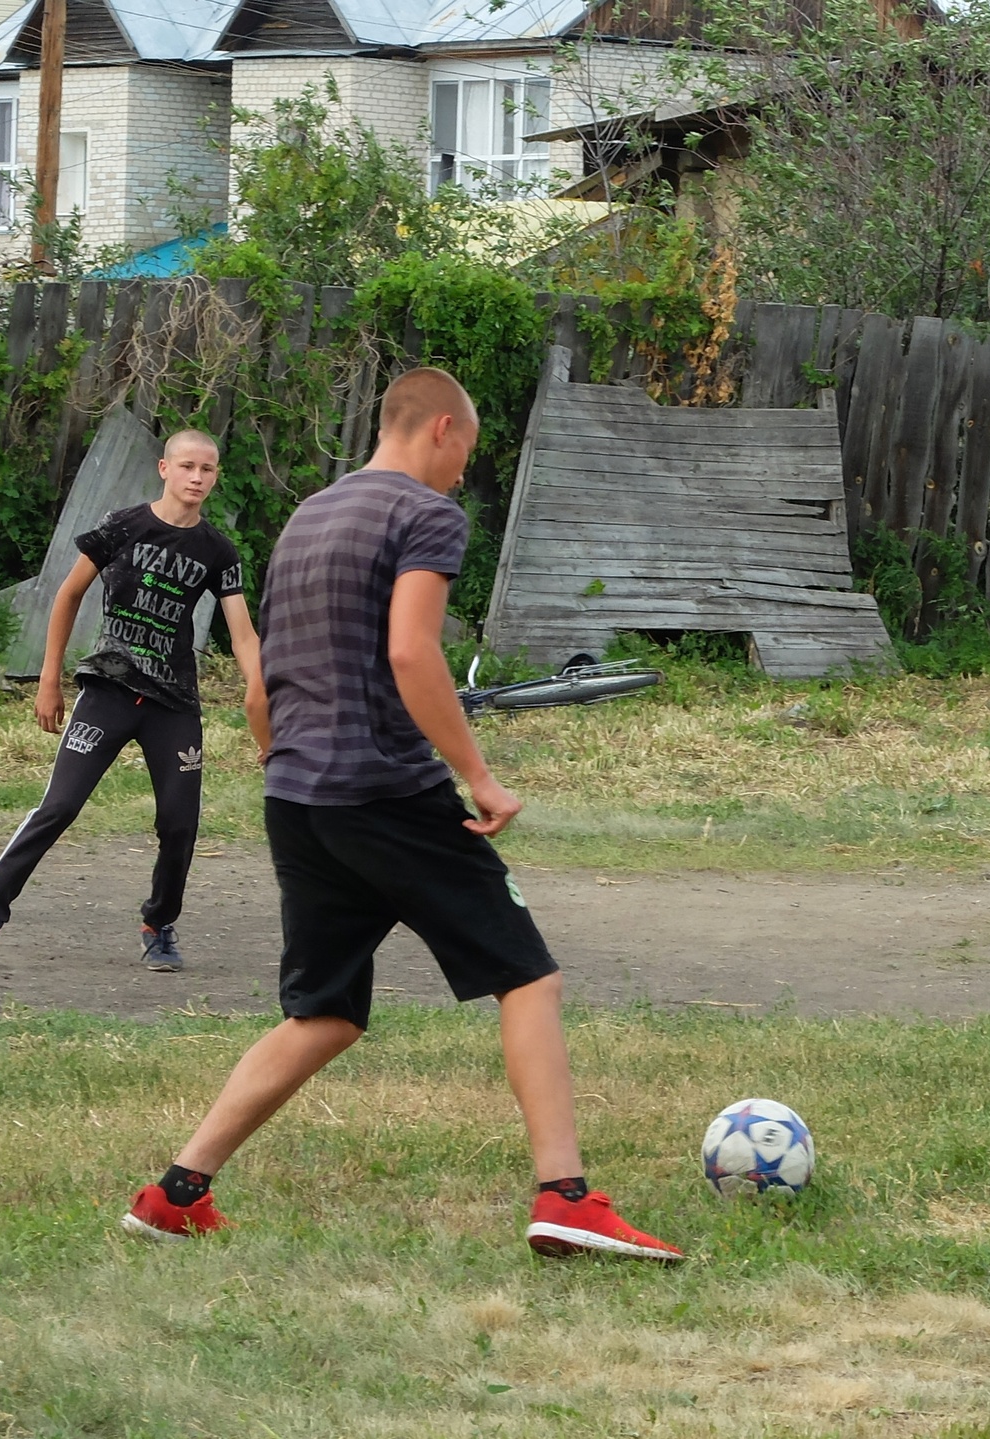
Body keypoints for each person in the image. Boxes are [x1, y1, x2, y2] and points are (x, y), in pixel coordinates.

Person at [121, 367, 682, 1260]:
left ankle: (175, 1192)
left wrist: (287, 758)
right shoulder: (425, 515)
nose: (464, 472)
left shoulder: (308, 516)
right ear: (442, 430)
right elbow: (411, 652)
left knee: (326, 1011)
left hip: (297, 795)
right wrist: (480, 777)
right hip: (384, 790)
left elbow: (260, 683)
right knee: (527, 975)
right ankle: (566, 1196)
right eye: (467, 451)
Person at [0, 429, 259, 974]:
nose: (197, 478)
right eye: (187, 466)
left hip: (173, 703)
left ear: (216, 476)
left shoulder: (218, 551)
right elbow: (69, 593)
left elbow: (242, 635)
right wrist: (49, 680)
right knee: (60, 806)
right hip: (108, 691)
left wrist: (260, 694)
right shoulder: (122, 526)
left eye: (208, 470)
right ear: (165, 469)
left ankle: (159, 925)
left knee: (179, 822)